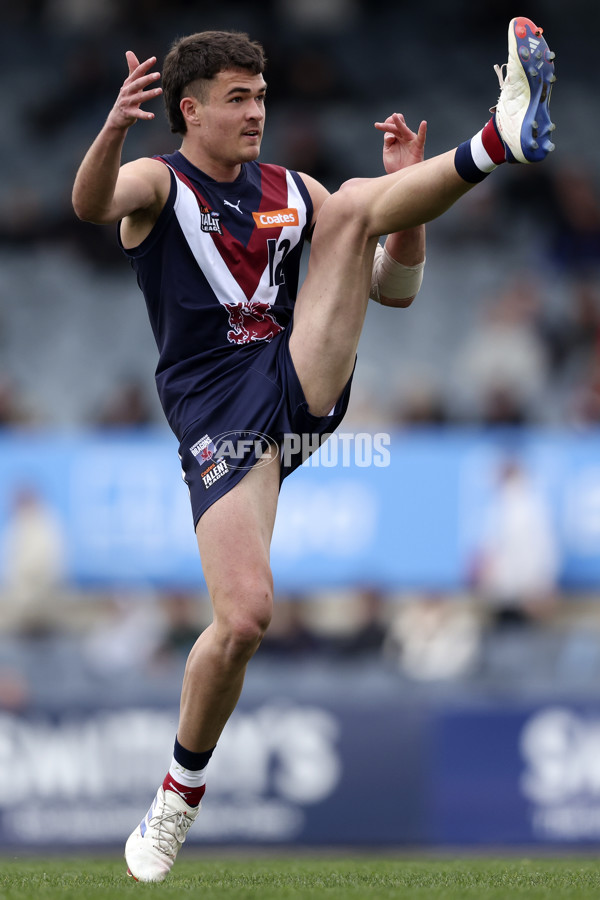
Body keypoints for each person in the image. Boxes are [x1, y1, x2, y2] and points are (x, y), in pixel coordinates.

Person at [72, 18, 556, 881]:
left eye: (261, 95)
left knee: (357, 205)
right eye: (237, 99)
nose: (257, 111)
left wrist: (405, 205)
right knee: (245, 620)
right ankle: (178, 794)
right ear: (189, 110)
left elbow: (396, 290)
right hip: (218, 419)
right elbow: (89, 205)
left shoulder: (290, 188)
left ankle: (500, 136)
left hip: (298, 387)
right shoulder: (157, 180)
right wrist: (111, 130)